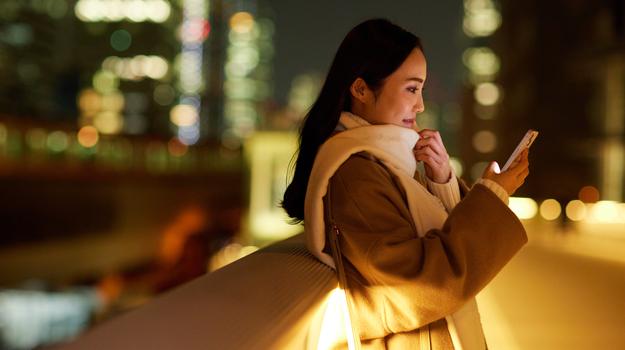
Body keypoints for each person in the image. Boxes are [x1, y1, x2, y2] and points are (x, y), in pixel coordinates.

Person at [282, 18, 529, 350]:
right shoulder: (354, 173)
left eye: (422, 89)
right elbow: (422, 283)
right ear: (360, 89)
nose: (421, 105)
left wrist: (441, 179)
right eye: (412, 88)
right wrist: (493, 196)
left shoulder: (383, 163)